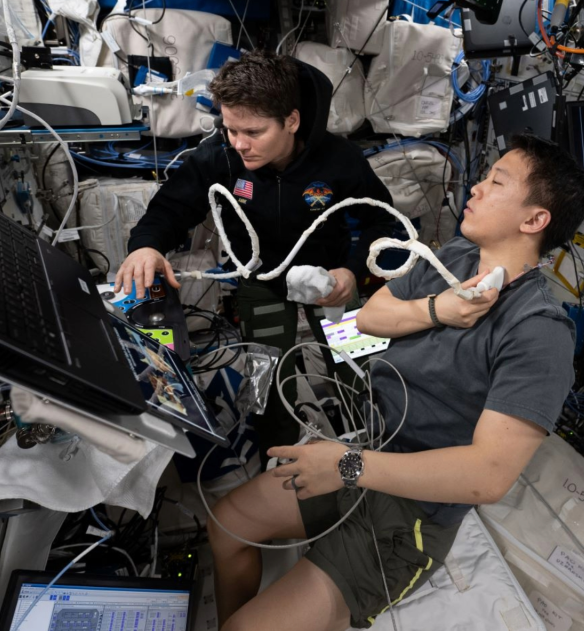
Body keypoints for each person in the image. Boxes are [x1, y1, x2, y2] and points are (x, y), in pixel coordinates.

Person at [196, 134, 584, 631]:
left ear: (534, 220)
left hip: (412, 515)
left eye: (497, 181)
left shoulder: (538, 334)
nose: (475, 186)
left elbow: (487, 477)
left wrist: (346, 466)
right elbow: (369, 318)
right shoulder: (452, 257)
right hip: (368, 451)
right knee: (229, 525)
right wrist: (438, 309)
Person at [114, 51, 397, 457]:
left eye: (253, 132)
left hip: (332, 280)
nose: (240, 143)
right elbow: (170, 208)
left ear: (292, 121)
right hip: (260, 282)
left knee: (360, 372)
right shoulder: (221, 157)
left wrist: (352, 273)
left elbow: (381, 223)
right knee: (270, 379)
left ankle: (375, 451)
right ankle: (280, 461)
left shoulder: (339, 160)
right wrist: (146, 246)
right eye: (230, 129)